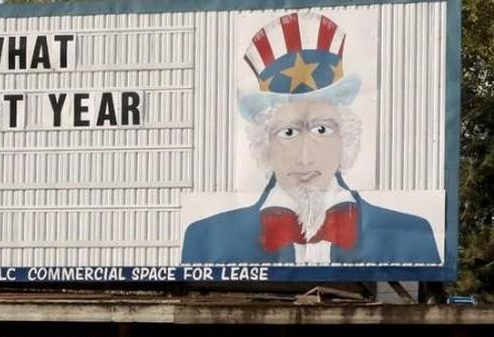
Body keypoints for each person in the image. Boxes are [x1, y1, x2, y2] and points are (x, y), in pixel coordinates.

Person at [181, 12, 440, 265]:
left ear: (345, 141)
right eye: (288, 133)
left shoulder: (412, 235)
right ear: (265, 146)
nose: (305, 157)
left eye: (321, 130)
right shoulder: (204, 238)